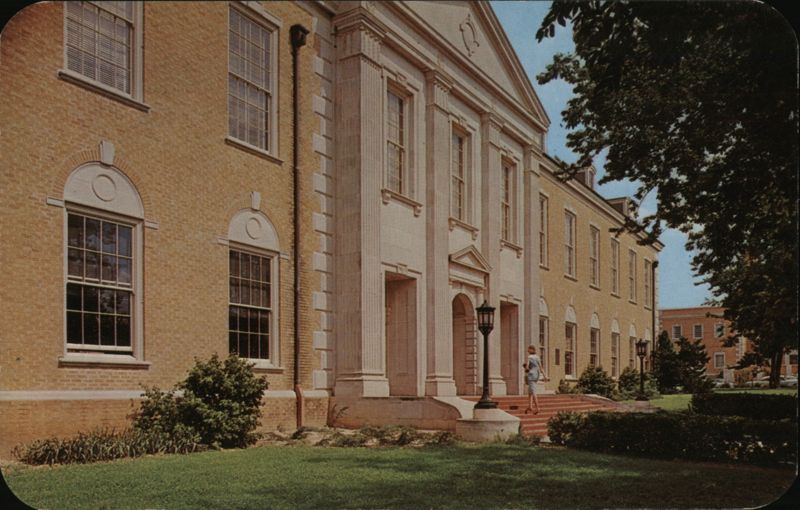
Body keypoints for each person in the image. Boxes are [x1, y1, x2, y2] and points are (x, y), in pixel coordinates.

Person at [523, 345, 548, 414]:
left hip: (531, 375)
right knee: (530, 391)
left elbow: (527, 368)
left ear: (531, 350)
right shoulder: (537, 357)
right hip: (536, 375)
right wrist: (545, 376)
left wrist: (525, 367)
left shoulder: (529, 357)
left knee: (533, 392)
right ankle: (530, 406)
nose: (527, 351)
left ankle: (537, 408)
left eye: (528, 349)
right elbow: (541, 367)